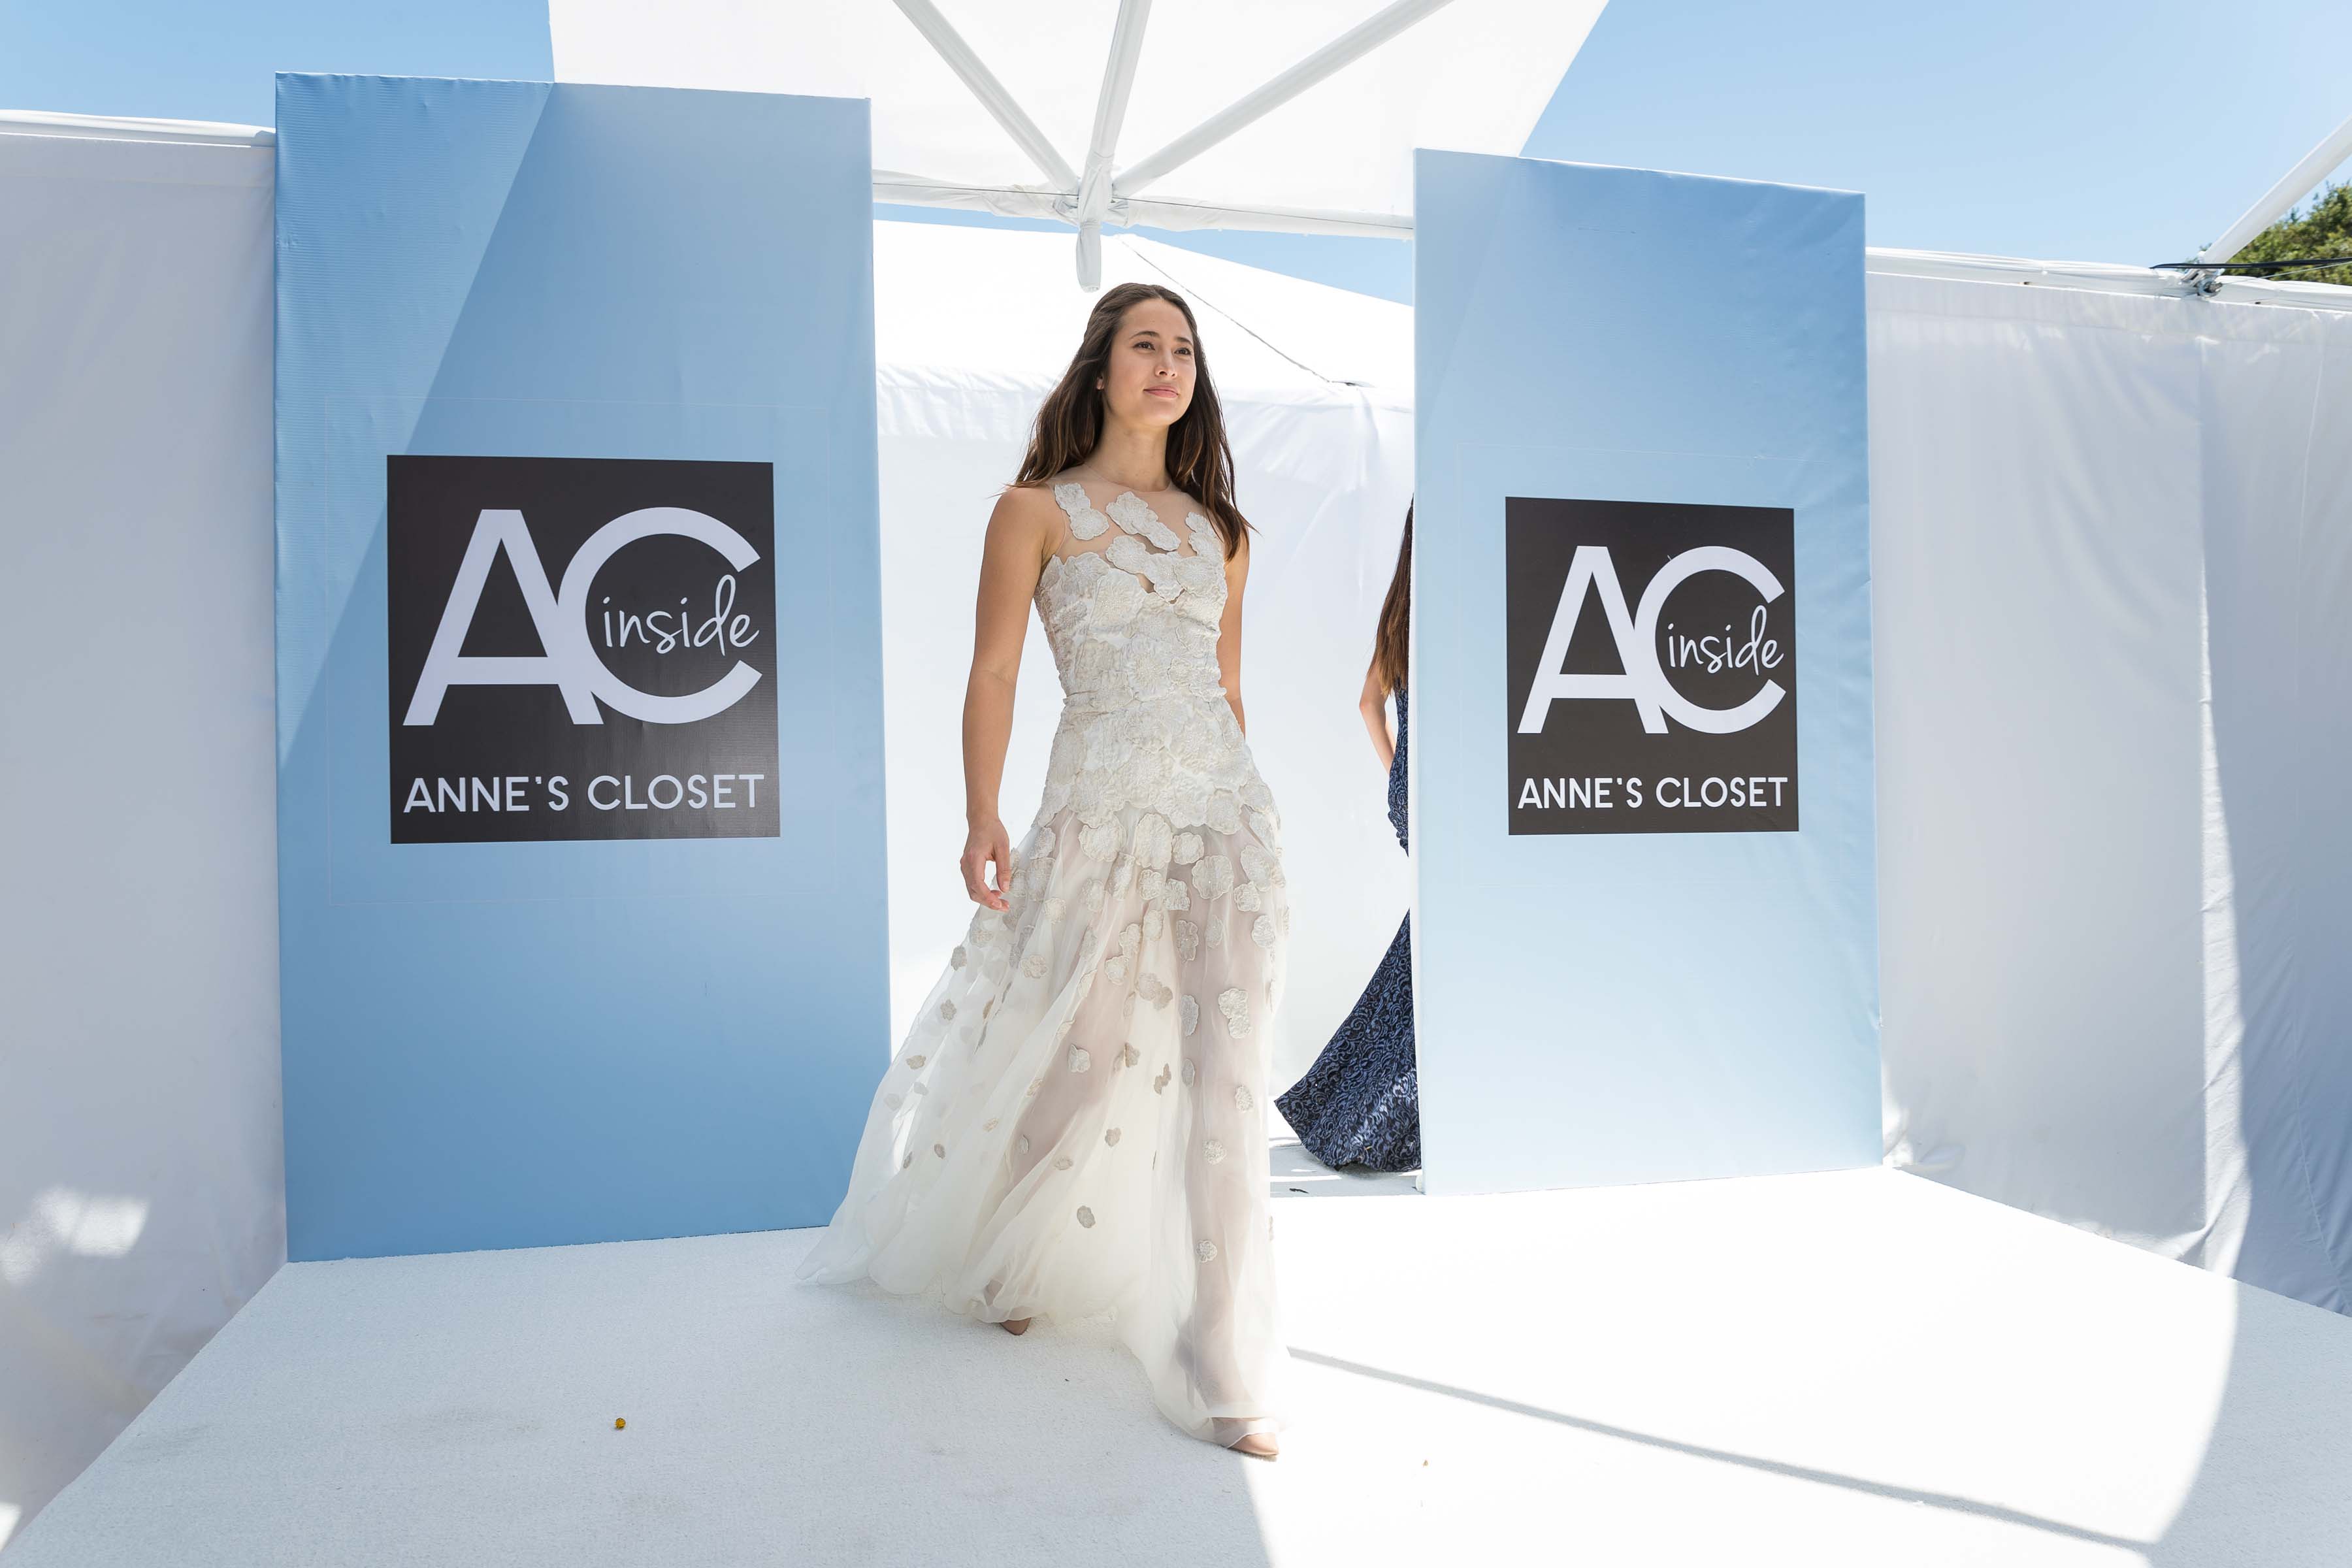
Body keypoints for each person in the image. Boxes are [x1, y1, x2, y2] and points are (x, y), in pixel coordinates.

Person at [795, 282, 1290, 1460]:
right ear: (1102, 369)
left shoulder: (1225, 532)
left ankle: (1220, 1351)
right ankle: (1006, 1259)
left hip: (1226, 819)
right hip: (1097, 813)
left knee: (1227, 1081)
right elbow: (997, 674)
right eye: (1145, 346)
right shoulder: (1035, 512)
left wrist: (1246, 805)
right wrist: (982, 812)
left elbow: (1227, 690)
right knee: (1075, 1051)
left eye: (1184, 350)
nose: (1167, 367)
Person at [1276, 506, 1419, 1173]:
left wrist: (1400, 775)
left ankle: (1342, 1104)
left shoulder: (1404, 609)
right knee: (1429, 951)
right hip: (1442, 799)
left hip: (1414, 790)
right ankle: (1365, 1116)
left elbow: (1368, 702)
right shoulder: (1454, 603)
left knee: (1426, 944)